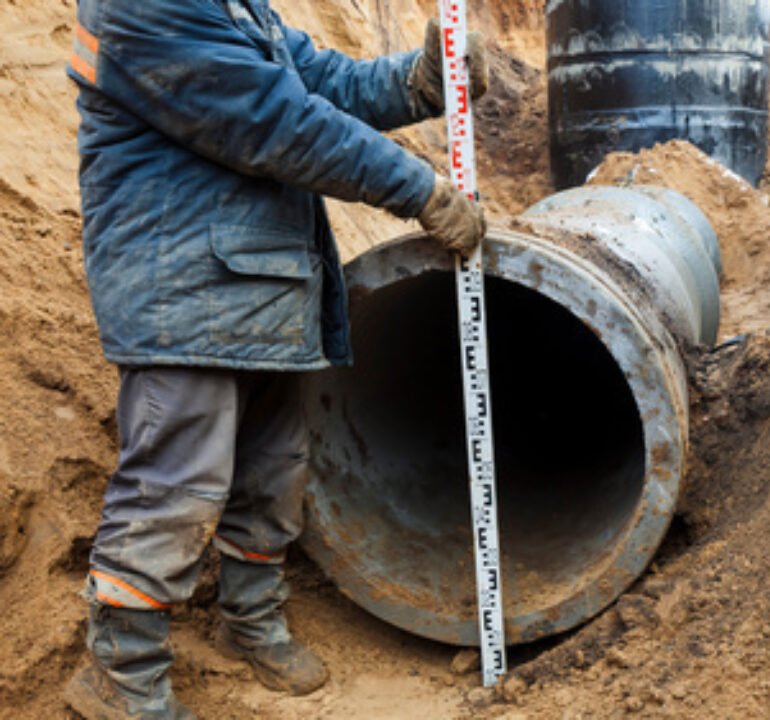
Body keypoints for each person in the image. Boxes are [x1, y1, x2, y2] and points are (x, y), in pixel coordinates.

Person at [63, 1, 488, 717]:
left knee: (273, 472)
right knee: (176, 485)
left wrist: (417, 82)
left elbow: (322, 83)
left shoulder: (235, 7)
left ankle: (250, 621)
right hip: (182, 291)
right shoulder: (147, 6)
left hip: (262, 284)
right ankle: (123, 674)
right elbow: (277, 122)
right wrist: (419, 191)